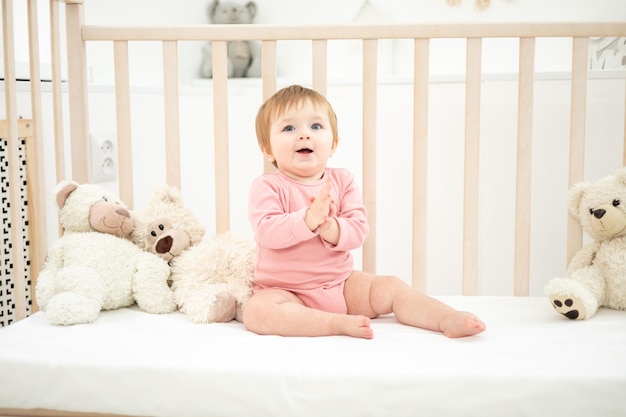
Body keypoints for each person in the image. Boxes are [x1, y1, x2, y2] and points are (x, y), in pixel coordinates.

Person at [242, 84, 486, 339]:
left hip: (340, 284)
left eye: (315, 127)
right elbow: (267, 231)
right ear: (267, 149)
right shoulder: (267, 186)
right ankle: (334, 323)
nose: (304, 135)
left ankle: (445, 317)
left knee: (390, 286)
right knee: (257, 311)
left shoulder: (342, 181)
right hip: (287, 292)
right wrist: (309, 219)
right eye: (289, 128)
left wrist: (330, 227)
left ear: (333, 144)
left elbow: (358, 230)